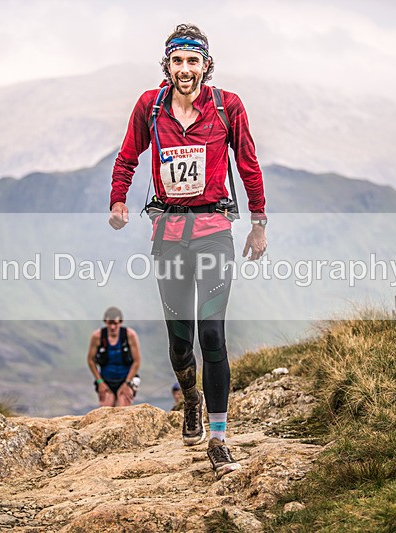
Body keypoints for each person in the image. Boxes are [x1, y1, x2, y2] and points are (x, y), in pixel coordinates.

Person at [108, 23, 267, 479]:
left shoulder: (226, 107)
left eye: (193, 61)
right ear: (167, 66)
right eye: (177, 61)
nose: (185, 69)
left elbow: (248, 163)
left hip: (215, 232)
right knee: (181, 343)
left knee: (212, 335)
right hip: (169, 237)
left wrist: (259, 224)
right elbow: (127, 158)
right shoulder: (149, 106)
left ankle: (219, 438)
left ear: (206, 66)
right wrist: (118, 199)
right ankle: (190, 399)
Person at [87, 307, 142, 407]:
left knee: (123, 406)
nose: (112, 327)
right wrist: (100, 382)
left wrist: (127, 383)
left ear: (120, 322)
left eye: (115, 323)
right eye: (109, 323)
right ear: (105, 322)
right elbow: (90, 360)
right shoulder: (97, 337)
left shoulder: (129, 335)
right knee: (106, 408)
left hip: (126, 378)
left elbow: (137, 361)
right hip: (106, 380)